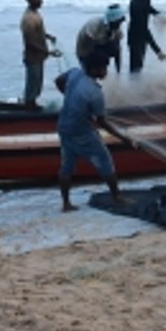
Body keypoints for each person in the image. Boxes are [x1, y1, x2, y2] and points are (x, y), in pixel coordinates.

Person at [54, 50, 133, 212]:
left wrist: (69, 97)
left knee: (67, 165)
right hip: (81, 131)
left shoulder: (75, 73)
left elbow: (58, 81)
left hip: (63, 126)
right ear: (94, 69)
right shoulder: (95, 92)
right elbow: (101, 121)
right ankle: (117, 197)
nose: (106, 72)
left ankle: (66, 204)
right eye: (103, 68)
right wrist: (123, 138)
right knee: (104, 160)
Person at [19, 0, 60, 109]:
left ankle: (31, 104)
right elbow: (30, 42)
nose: (41, 1)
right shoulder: (29, 18)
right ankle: (28, 107)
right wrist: (48, 52)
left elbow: (38, 32)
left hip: (38, 57)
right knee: (32, 85)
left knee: (37, 84)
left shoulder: (35, 13)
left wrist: (48, 36)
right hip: (33, 57)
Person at [128, 0, 166, 73]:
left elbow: (148, 7)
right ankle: (133, 83)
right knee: (136, 66)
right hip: (135, 36)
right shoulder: (135, 4)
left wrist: (158, 15)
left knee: (140, 63)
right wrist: (157, 51)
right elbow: (144, 30)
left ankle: (136, 82)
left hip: (142, 33)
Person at [76, 4, 125, 73]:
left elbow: (118, 50)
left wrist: (118, 72)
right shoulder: (94, 24)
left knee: (115, 47)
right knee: (96, 63)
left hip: (99, 47)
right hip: (85, 51)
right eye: (119, 22)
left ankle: (100, 68)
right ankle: (93, 69)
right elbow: (88, 44)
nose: (120, 25)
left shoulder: (116, 29)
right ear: (113, 21)